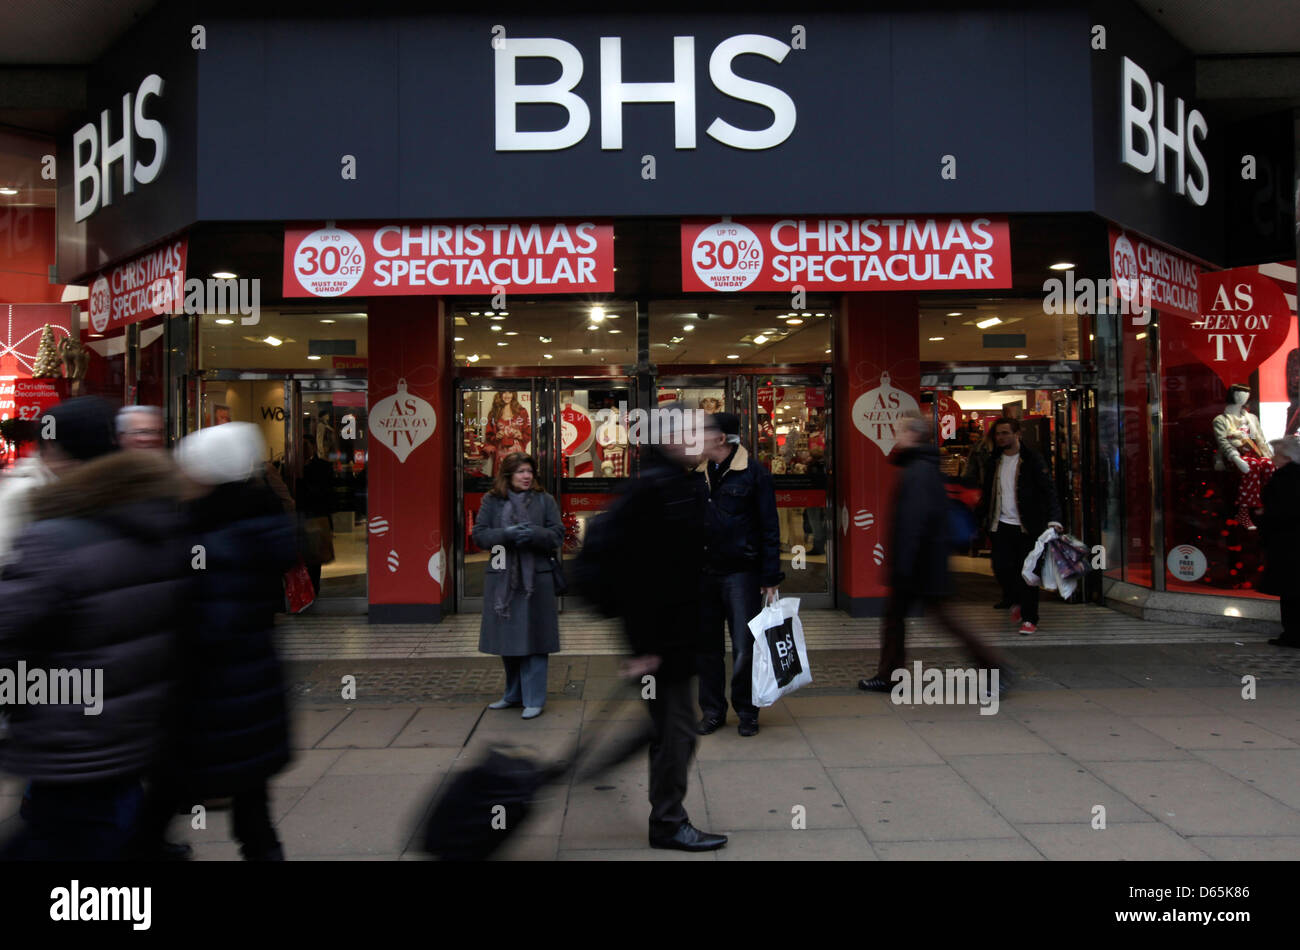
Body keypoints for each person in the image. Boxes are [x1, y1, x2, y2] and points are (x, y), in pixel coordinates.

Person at [0, 397, 190, 861]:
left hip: (71, 733)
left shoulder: (55, 534)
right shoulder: (161, 515)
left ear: (60, 453)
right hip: (132, 727)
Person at [141, 423, 298, 861]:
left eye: (188, 467)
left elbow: (206, 624)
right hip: (251, 700)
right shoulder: (253, 523)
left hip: (206, 706)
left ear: (206, 474)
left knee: (155, 811)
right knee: (254, 818)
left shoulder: (212, 537)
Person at [576, 403, 726, 851]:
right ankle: (667, 823)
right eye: (696, 430)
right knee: (677, 730)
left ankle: (643, 796)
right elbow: (625, 573)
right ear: (672, 438)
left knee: (671, 726)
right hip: (661, 644)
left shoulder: (678, 481)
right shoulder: (653, 488)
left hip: (677, 639)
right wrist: (640, 646)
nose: (705, 436)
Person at [858, 414, 1011, 694]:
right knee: (901, 619)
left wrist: (902, 564)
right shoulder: (921, 466)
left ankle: (992, 668)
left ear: (913, 435)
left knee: (939, 620)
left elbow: (913, 523)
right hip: (923, 561)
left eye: (900, 429)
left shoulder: (917, 471)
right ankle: (889, 674)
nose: (896, 434)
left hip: (919, 563)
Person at [695, 412, 784, 737]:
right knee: (706, 648)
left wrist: (771, 575)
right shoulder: (697, 473)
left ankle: (747, 711)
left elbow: (768, 526)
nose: (699, 438)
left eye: (705, 433)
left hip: (740, 574)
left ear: (721, 438)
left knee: (745, 646)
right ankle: (713, 711)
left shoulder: (753, 473)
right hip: (703, 574)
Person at [472, 452, 564, 719]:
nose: (527, 476)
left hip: (537, 579)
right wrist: (506, 535)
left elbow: (557, 534)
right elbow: (480, 535)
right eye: (521, 471)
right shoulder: (492, 500)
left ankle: (534, 698)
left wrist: (534, 534)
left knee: (535, 639)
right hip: (502, 579)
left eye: (529, 471)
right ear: (508, 475)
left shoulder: (545, 500)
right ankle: (513, 694)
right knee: (507, 639)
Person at [974, 416, 1063, 635]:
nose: (1001, 437)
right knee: (1002, 567)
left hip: (1028, 526)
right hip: (1000, 525)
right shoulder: (994, 460)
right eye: (998, 433)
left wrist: (1055, 519)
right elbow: (987, 494)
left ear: (1017, 434)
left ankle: (1029, 618)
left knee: (1027, 573)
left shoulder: (1032, 460)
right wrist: (978, 519)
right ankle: (1015, 600)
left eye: (1005, 433)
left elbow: (1048, 490)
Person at [1259, 435, 1300, 648]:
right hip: (1289, 541)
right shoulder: (1289, 477)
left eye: (1277, 454)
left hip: (1288, 543)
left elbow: (1280, 511)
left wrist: (1263, 520)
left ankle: (1293, 633)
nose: (1273, 458)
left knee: (1291, 591)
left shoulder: (1286, 479)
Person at [297, 437, 335, 596]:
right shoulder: (291, 466)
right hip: (299, 518)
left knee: (314, 558)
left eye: (305, 445)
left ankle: (313, 591)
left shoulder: (323, 467)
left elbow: (327, 494)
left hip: (315, 517)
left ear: (312, 447)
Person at [484, 391, 531, 478]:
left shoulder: (522, 412)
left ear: (513, 394)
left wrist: (520, 435)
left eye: (510, 392)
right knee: (502, 480)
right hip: (501, 454)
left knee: (518, 478)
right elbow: (489, 435)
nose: (507, 395)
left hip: (517, 453)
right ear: (500, 394)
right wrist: (496, 436)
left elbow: (528, 432)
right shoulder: (493, 413)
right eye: (504, 393)